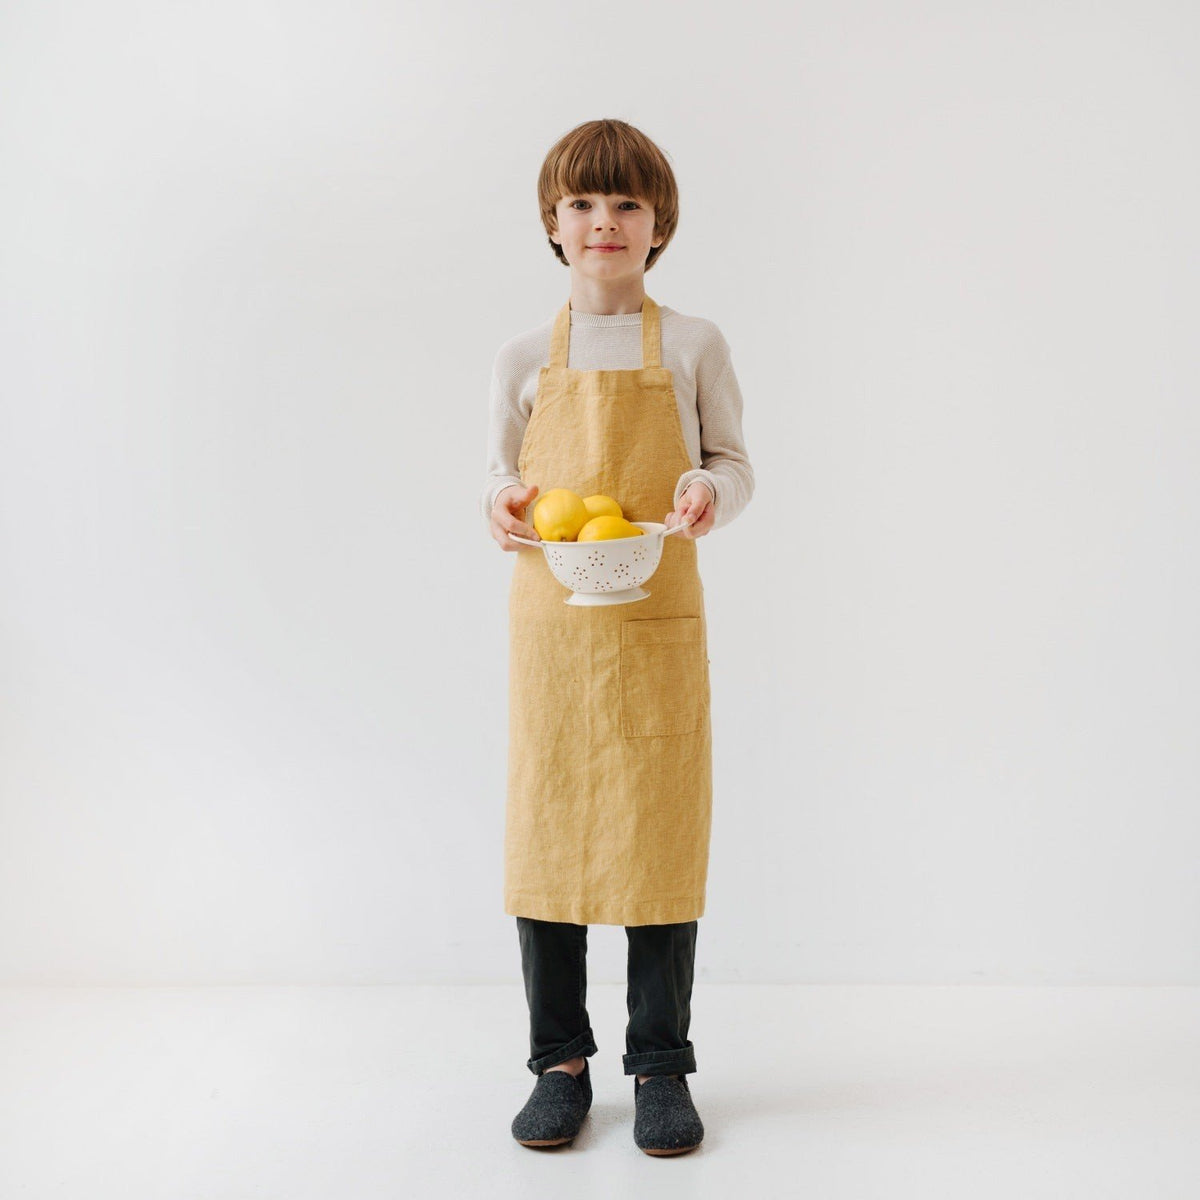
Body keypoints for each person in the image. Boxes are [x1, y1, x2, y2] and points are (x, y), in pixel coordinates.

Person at [481, 118, 754, 1155]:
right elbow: (497, 481)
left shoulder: (692, 344)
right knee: (548, 827)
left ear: (659, 225)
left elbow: (735, 462)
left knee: (658, 832)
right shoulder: (518, 356)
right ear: (553, 223)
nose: (606, 222)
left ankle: (660, 1064)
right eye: (585, 204)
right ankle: (559, 1060)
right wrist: (504, 505)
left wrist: (703, 488)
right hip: (553, 624)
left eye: (627, 204)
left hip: (655, 621)